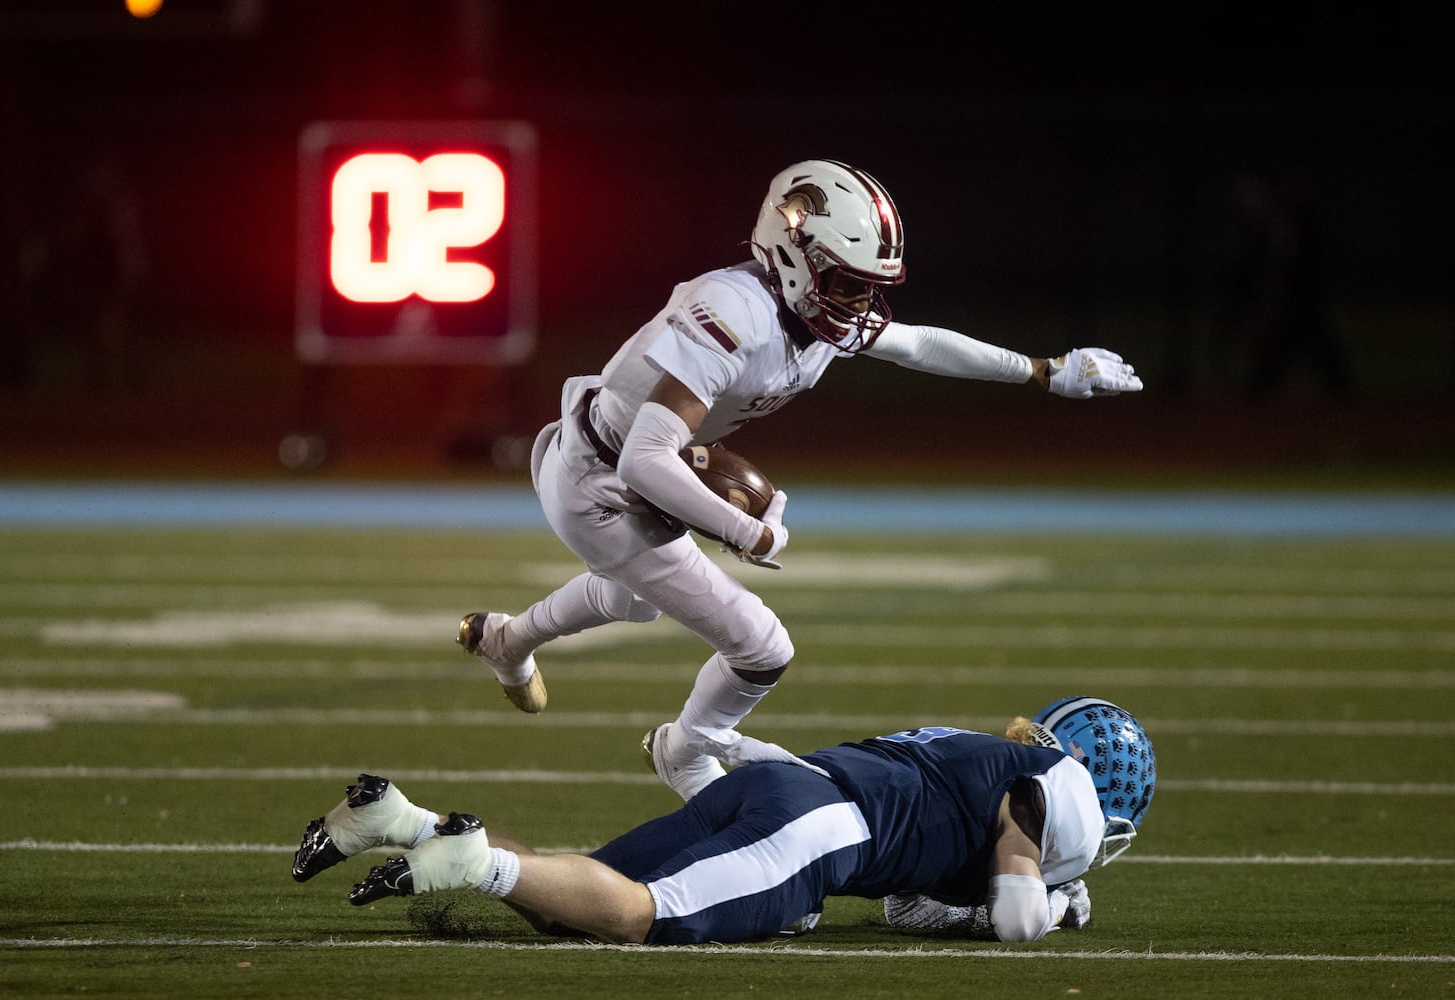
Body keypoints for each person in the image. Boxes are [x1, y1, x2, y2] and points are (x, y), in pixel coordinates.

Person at [455, 160, 1145, 800]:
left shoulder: (814, 315)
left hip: (631, 460)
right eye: (847, 280)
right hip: (597, 481)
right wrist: (746, 531)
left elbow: (919, 344)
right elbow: (643, 458)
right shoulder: (732, 313)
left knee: (633, 599)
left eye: (868, 284)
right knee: (761, 649)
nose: (859, 301)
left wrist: (1043, 370)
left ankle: (507, 642)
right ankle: (686, 753)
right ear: (792, 251)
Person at [291, 696, 1156, 945]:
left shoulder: (979, 751)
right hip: (820, 830)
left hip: (787, 786)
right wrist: (1051, 903)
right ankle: (473, 862)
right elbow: (1011, 919)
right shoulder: (1057, 793)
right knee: (637, 915)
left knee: (575, 897)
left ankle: (403, 821)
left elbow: (907, 906)